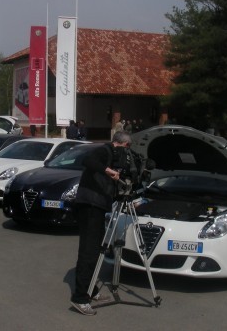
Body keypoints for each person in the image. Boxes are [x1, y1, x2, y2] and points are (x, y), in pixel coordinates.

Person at [70, 130, 133, 316]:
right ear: (121, 144)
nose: (127, 152)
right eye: (127, 147)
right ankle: (80, 298)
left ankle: (91, 291)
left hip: (97, 206)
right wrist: (108, 171)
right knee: (88, 253)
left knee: (96, 251)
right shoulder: (104, 150)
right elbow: (87, 161)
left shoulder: (112, 156)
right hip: (90, 206)